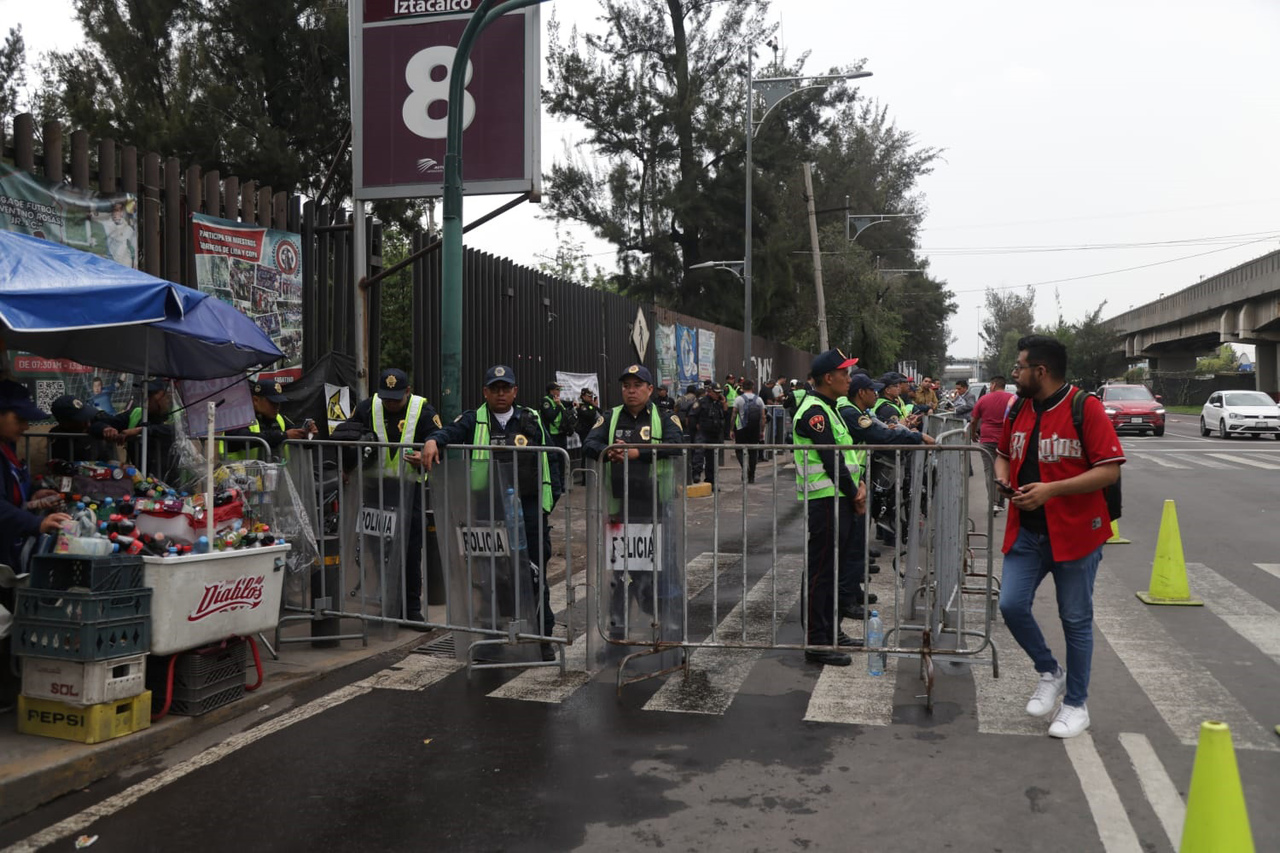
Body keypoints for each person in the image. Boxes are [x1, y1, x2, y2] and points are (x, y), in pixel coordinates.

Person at [995, 335, 1124, 739]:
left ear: (1041, 371)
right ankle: (1049, 671)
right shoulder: (1019, 407)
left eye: (1020, 366)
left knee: (1076, 619)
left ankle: (1075, 703)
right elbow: (1002, 452)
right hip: (1028, 533)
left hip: (1075, 534)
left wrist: (1051, 489)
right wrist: (1002, 475)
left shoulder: (1084, 408)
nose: (1015, 373)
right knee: (1011, 605)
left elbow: (1109, 469)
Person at [422, 365, 559, 658]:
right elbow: (449, 431)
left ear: (515, 392)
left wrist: (547, 505)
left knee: (534, 575)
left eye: (505, 388)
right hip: (487, 512)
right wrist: (433, 441)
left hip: (529, 511)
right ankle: (491, 638)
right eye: (494, 388)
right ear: (485, 392)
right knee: (489, 577)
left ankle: (542, 639)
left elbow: (553, 461)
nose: (500, 393)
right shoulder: (474, 419)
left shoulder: (530, 419)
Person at [331, 368, 443, 624]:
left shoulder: (422, 409)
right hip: (375, 490)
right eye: (386, 398)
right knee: (378, 550)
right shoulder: (367, 407)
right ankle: (388, 605)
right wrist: (346, 466)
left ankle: (411, 609)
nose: (390, 403)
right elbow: (348, 435)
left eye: (396, 397)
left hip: (409, 490)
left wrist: (425, 456)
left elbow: (438, 442)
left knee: (411, 550)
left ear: (407, 391)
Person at [582, 365, 684, 640]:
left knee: (664, 569)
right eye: (627, 385)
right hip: (621, 511)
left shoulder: (665, 417)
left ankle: (669, 628)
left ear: (650, 390)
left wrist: (639, 452)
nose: (631, 390)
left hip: (657, 509)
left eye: (638, 385)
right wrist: (609, 450)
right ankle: (617, 631)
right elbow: (589, 444)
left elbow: (676, 447)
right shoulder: (610, 417)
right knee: (622, 573)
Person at [792, 349, 869, 666]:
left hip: (840, 498)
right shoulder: (814, 412)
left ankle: (830, 631)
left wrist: (859, 484)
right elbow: (831, 460)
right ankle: (817, 642)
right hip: (826, 501)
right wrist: (854, 493)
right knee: (821, 573)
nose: (849, 380)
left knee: (832, 572)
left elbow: (849, 457)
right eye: (845, 374)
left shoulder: (831, 407)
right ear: (828, 377)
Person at [0, 382, 73, 713]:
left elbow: (14, 497)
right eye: (20, 419)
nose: (26, 427)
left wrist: (35, 500)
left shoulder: (9, 451)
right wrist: (36, 523)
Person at [90, 378, 177, 482]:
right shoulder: (136, 413)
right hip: (142, 482)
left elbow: (177, 431)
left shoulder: (177, 415)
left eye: (150, 394)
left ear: (165, 396)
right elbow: (99, 423)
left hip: (175, 483)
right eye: (144, 394)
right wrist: (105, 429)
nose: (145, 398)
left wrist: (141, 430)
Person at [220, 380, 316, 462]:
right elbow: (241, 439)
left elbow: (301, 442)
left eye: (279, 403)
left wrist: (308, 435)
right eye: (273, 402)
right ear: (256, 400)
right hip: (240, 478)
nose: (277, 407)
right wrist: (282, 436)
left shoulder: (280, 419)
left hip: (274, 478)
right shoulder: (239, 416)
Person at [970, 376, 1016, 513]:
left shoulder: (983, 399)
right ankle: (1000, 502)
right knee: (1004, 470)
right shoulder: (1013, 399)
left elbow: (973, 420)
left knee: (990, 471)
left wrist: (973, 434)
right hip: (1006, 440)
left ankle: (994, 502)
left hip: (987, 439)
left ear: (994, 384)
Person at [48, 395, 119, 463]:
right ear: (64, 423)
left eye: (87, 416)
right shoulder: (57, 437)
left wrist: (104, 429)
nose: (87, 424)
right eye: (80, 420)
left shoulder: (99, 428)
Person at [689, 384, 726, 485]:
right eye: (716, 392)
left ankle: (711, 480)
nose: (718, 395)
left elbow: (724, 415)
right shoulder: (702, 402)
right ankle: (696, 474)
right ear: (710, 391)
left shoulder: (719, 403)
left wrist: (724, 403)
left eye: (719, 393)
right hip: (703, 432)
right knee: (699, 453)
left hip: (714, 434)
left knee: (712, 459)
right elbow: (692, 415)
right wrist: (696, 427)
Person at [540, 383, 570, 501]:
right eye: (557, 390)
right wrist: (558, 406)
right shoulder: (546, 401)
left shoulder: (559, 401)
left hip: (561, 434)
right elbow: (550, 416)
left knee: (562, 460)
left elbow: (565, 412)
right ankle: (555, 485)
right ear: (551, 391)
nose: (559, 392)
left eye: (560, 390)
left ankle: (563, 485)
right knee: (554, 461)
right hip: (552, 436)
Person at [731, 379, 765, 483]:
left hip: (741, 429)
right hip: (754, 430)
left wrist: (731, 429)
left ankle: (744, 467)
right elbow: (763, 417)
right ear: (752, 387)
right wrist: (761, 431)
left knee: (739, 450)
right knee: (753, 452)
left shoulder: (738, 399)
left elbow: (733, 415)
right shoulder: (759, 400)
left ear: (742, 388)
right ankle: (752, 475)